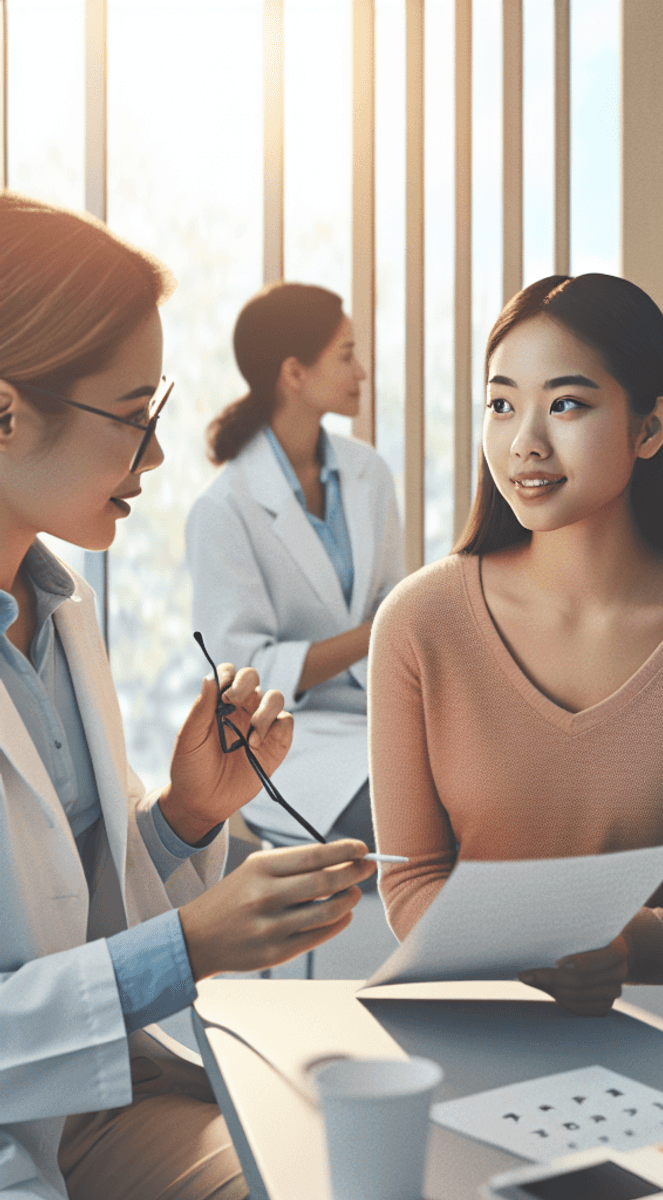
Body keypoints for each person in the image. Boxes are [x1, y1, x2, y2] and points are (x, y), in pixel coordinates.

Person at [0, 192, 376, 1200]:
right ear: (2, 411)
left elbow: (69, 903)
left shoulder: (56, 612)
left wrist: (183, 818)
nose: (157, 455)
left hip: (98, 1105)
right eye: (134, 418)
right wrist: (191, 943)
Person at [369, 273, 663, 1015]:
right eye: (502, 405)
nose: (525, 442)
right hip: (481, 1025)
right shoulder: (418, 622)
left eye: (566, 404)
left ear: (650, 428)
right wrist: (527, 956)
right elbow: (410, 882)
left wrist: (622, 948)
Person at [187, 283, 402, 849]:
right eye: (347, 355)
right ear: (295, 373)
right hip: (282, 740)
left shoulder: (369, 474)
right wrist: (378, 633)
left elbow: (391, 599)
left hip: (381, 718)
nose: (361, 372)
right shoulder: (223, 507)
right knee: (422, 823)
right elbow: (244, 672)